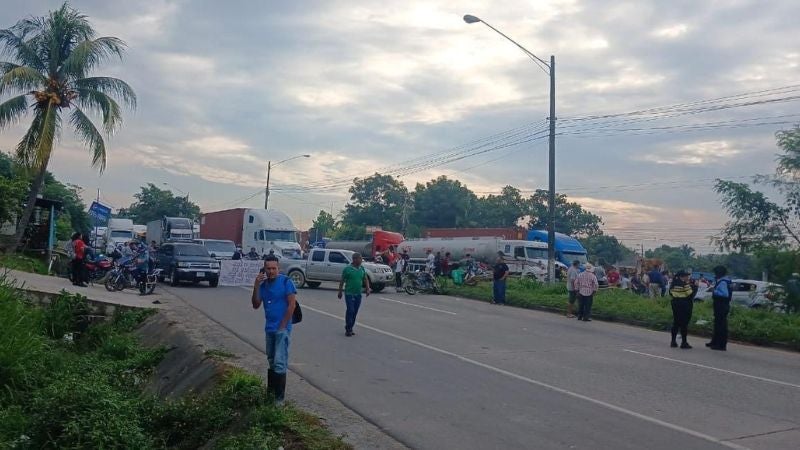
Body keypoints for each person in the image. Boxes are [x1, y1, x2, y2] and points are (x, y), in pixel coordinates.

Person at [251, 254, 297, 405]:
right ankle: (270, 394)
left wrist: (283, 326)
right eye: (268, 268)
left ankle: (279, 400)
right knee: (271, 360)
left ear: (279, 269)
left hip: (282, 329)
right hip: (269, 329)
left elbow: (292, 305)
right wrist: (256, 285)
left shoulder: (286, 282)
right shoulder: (263, 286)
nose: (271, 271)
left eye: (273, 268)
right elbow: (256, 304)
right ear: (264, 269)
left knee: (279, 362)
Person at [338, 252, 370, 336]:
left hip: (358, 294)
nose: (361, 260)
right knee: (350, 310)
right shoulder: (347, 269)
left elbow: (365, 279)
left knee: (355, 312)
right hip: (349, 293)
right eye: (360, 259)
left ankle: (351, 327)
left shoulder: (362, 269)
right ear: (354, 259)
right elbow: (342, 281)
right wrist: (340, 291)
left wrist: (367, 289)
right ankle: (348, 329)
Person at [669, 270, 697, 349]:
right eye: (686, 276)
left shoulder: (673, 284)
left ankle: (673, 341)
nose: (687, 277)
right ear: (682, 276)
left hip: (675, 303)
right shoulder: (685, 284)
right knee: (684, 324)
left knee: (676, 322)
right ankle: (684, 343)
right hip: (684, 304)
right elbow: (691, 294)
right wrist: (695, 287)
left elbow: (670, 293)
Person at [707, 265, 732, 351]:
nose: (715, 275)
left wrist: (714, 291)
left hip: (721, 305)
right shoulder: (725, 280)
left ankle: (720, 345)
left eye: (715, 273)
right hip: (722, 305)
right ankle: (714, 341)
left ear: (719, 273)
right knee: (717, 323)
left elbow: (725, 294)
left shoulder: (723, 282)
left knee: (721, 325)